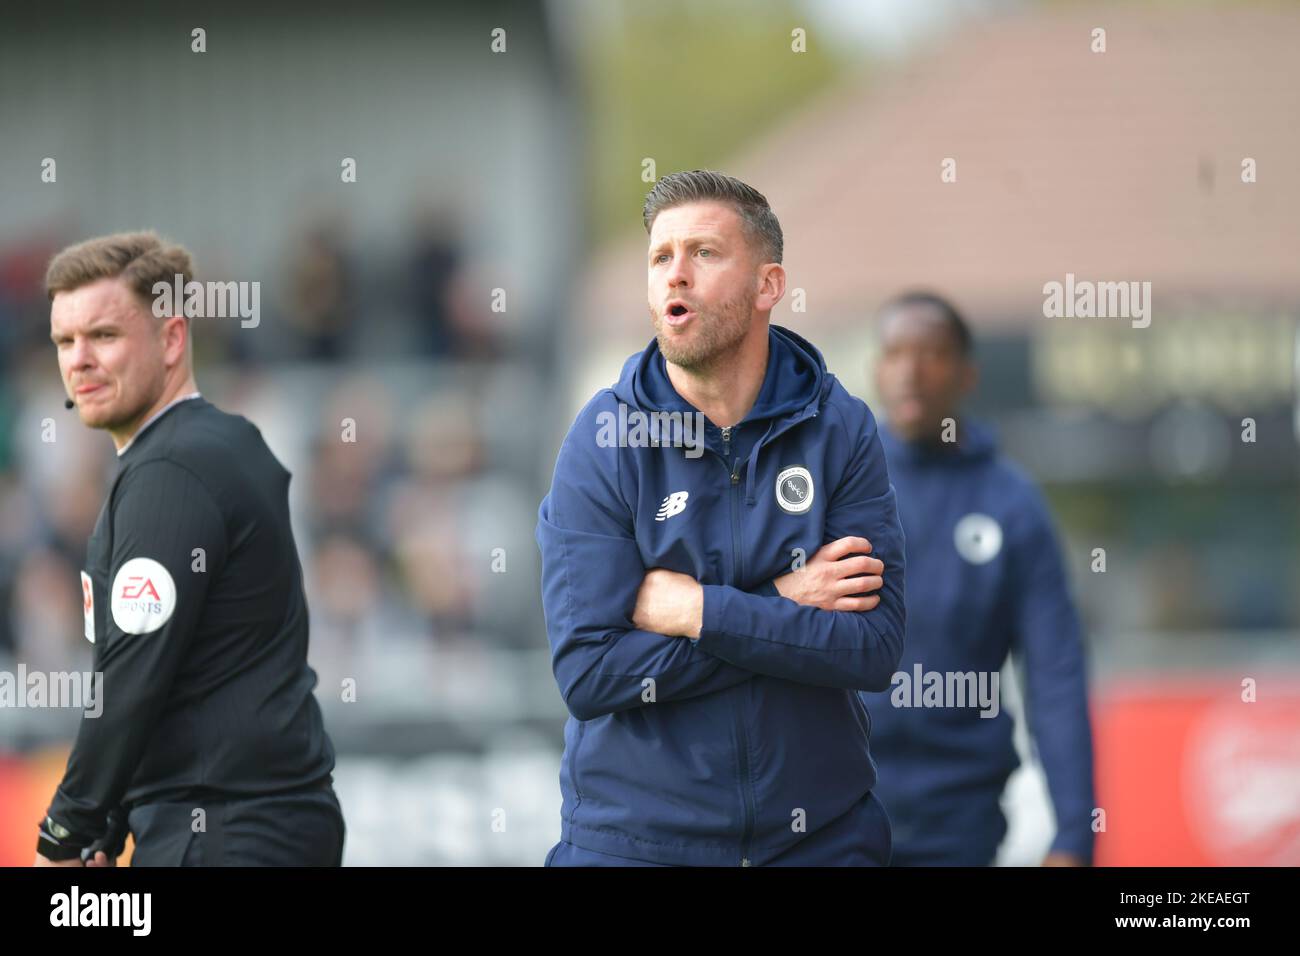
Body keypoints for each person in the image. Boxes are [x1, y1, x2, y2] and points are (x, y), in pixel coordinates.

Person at [536, 170, 906, 866]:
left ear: (769, 285)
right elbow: (591, 676)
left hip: (820, 840)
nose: (676, 275)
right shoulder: (601, 442)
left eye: (704, 253)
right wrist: (784, 604)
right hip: (633, 847)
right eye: (660, 257)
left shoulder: (840, 428)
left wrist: (698, 609)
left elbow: (873, 649)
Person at [35, 232, 344, 867]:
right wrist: (112, 821)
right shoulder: (222, 445)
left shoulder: (170, 471)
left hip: (223, 831)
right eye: (66, 341)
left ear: (172, 339)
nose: (79, 360)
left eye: (105, 336)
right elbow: (182, 667)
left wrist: (67, 831)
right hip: (265, 822)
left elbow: (131, 679)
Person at [862, 291, 1095, 866]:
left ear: (967, 375)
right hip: (834, 819)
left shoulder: (1012, 503)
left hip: (960, 825)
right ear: (877, 369)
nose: (911, 371)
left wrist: (1073, 835)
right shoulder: (837, 488)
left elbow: (1056, 674)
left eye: (932, 354)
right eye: (896, 353)